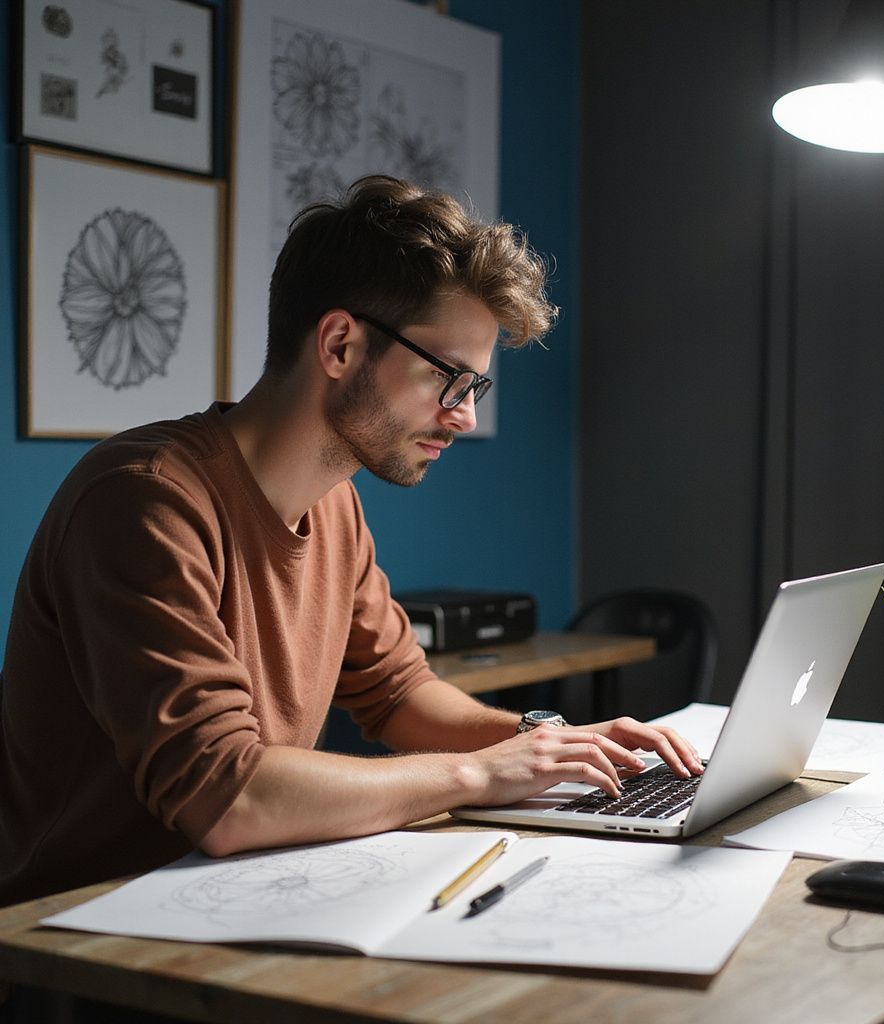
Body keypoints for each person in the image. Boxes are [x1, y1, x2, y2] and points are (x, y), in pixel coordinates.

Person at [0, 175, 702, 911]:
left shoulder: (334, 504)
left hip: (232, 900)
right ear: (339, 344)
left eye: (473, 388)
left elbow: (398, 693)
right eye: (448, 378)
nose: (461, 417)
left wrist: (549, 744)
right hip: (77, 939)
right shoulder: (144, 499)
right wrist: (486, 772)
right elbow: (228, 797)